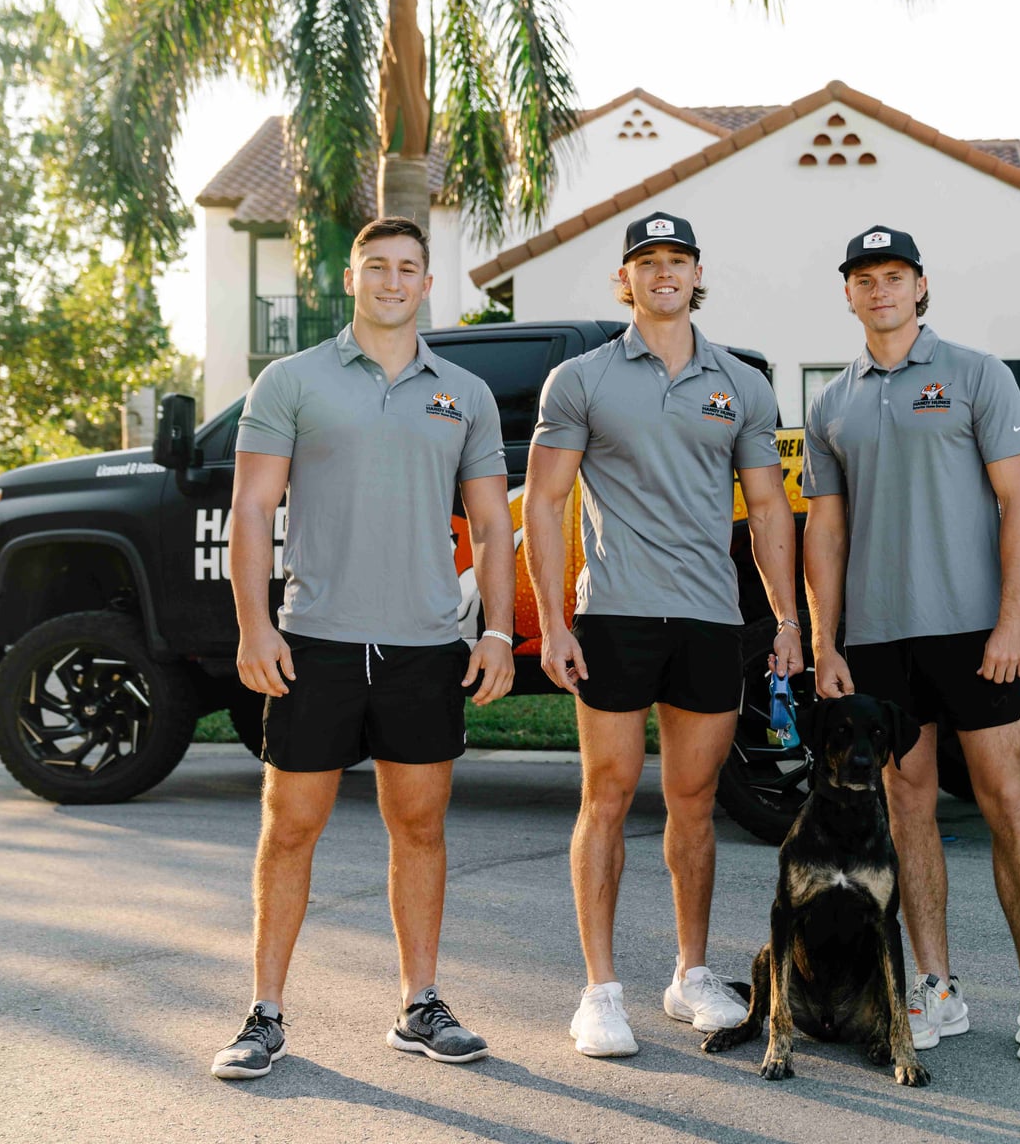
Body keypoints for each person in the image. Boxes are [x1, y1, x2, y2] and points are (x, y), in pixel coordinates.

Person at [210, 215, 518, 1080]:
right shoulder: (292, 380)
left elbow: (493, 525)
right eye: (376, 266)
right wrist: (254, 624)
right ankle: (264, 1013)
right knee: (290, 828)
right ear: (350, 279)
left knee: (419, 827)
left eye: (408, 268)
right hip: (316, 642)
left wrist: (497, 631)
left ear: (427, 284)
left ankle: (420, 1005)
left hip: (426, 646)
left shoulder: (465, 392)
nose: (392, 280)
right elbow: (251, 509)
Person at [523, 211, 802, 1058]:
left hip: (711, 618)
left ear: (697, 272)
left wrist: (787, 620)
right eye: (647, 261)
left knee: (693, 802)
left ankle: (690, 975)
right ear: (627, 278)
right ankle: (600, 991)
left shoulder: (741, 384)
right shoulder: (581, 378)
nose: (664, 272)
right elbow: (545, 501)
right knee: (606, 796)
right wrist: (552, 621)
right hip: (614, 615)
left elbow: (768, 508)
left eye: (678, 259)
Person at [801, 224, 1020, 1064]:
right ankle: (936, 987)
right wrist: (824, 643)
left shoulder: (975, 375)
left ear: (920, 286)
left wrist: (1014, 619)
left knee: (1006, 800)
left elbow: (1019, 501)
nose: (880, 289)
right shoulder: (832, 403)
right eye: (865, 278)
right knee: (907, 809)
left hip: (974, 632)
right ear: (847, 294)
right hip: (878, 640)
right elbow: (826, 529)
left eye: (895, 276)